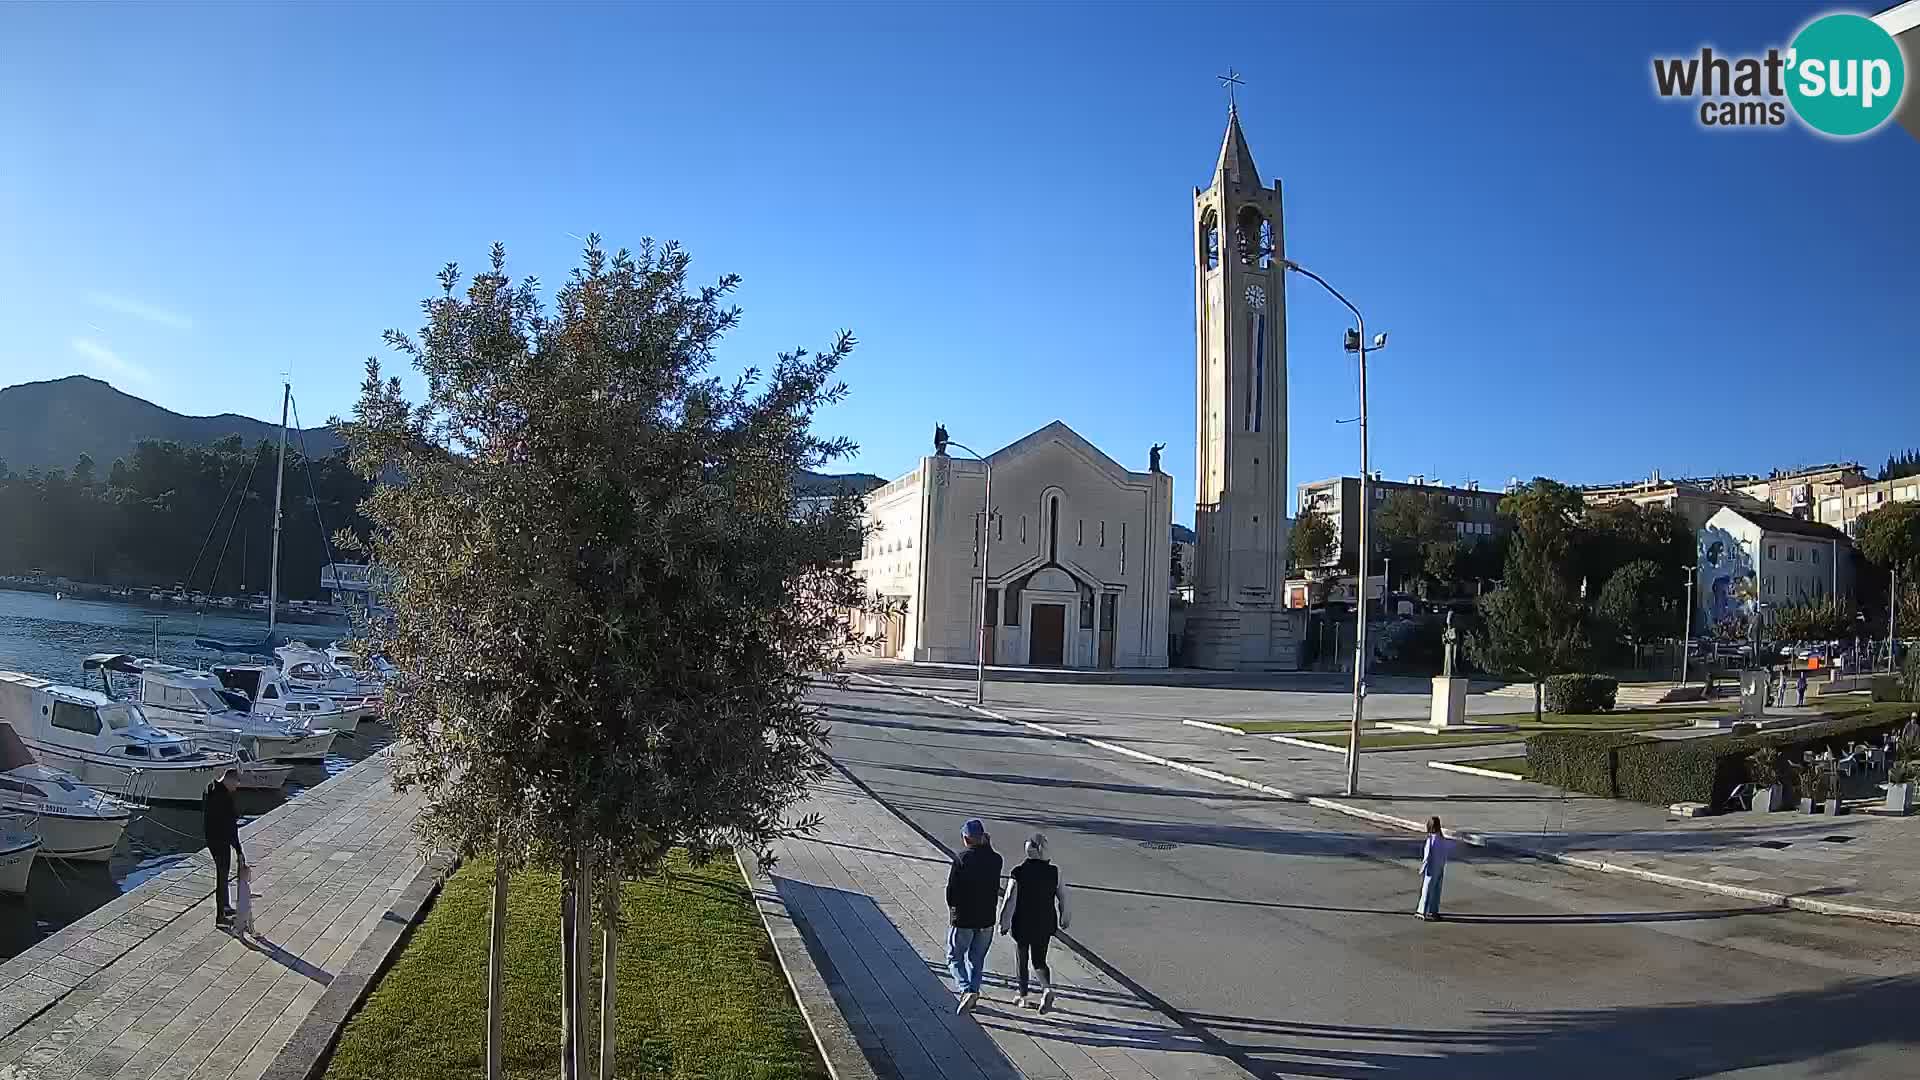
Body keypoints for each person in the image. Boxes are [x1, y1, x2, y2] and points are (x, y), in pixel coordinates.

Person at [999, 833, 1071, 1012]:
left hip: (1022, 923)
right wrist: (1065, 917)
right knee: (1039, 960)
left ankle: (1023, 996)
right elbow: (1063, 897)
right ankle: (1046, 988)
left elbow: (1010, 899)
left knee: (1022, 958)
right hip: (1045, 922)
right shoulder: (1055, 872)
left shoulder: (1019, 872)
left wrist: (1003, 922)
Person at [945, 818, 1002, 1014]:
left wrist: (953, 910)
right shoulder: (996, 859)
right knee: (977, 959)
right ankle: (974, 992)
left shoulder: (961, 859)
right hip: (987, 918)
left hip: (964, 918)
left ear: (966, 838)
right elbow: (991, 858)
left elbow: (951, 891)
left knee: (954, 956)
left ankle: (965, 989)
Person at [202, 768, 246, 927]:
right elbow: (230, 827)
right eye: (236, 783)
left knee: (224, 875)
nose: (236, 787)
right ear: (230, 780)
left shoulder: (209, 788)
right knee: (222, 876)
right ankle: (220, 917)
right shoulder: (224, 798)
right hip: (221, 840)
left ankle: (225, 906)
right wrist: (239, 850)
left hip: (211, 838)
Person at [1416, 817, 1449, 921]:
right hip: (1440, 867)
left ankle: (1422, 911)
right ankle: (1433, 910)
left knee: (1427, 889)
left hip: (1431, 868)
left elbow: (1427, 856)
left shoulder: (1430, 840)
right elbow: (1444, 853)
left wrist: (1422, 868)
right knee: (1436, 889)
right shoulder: (1442, 838)